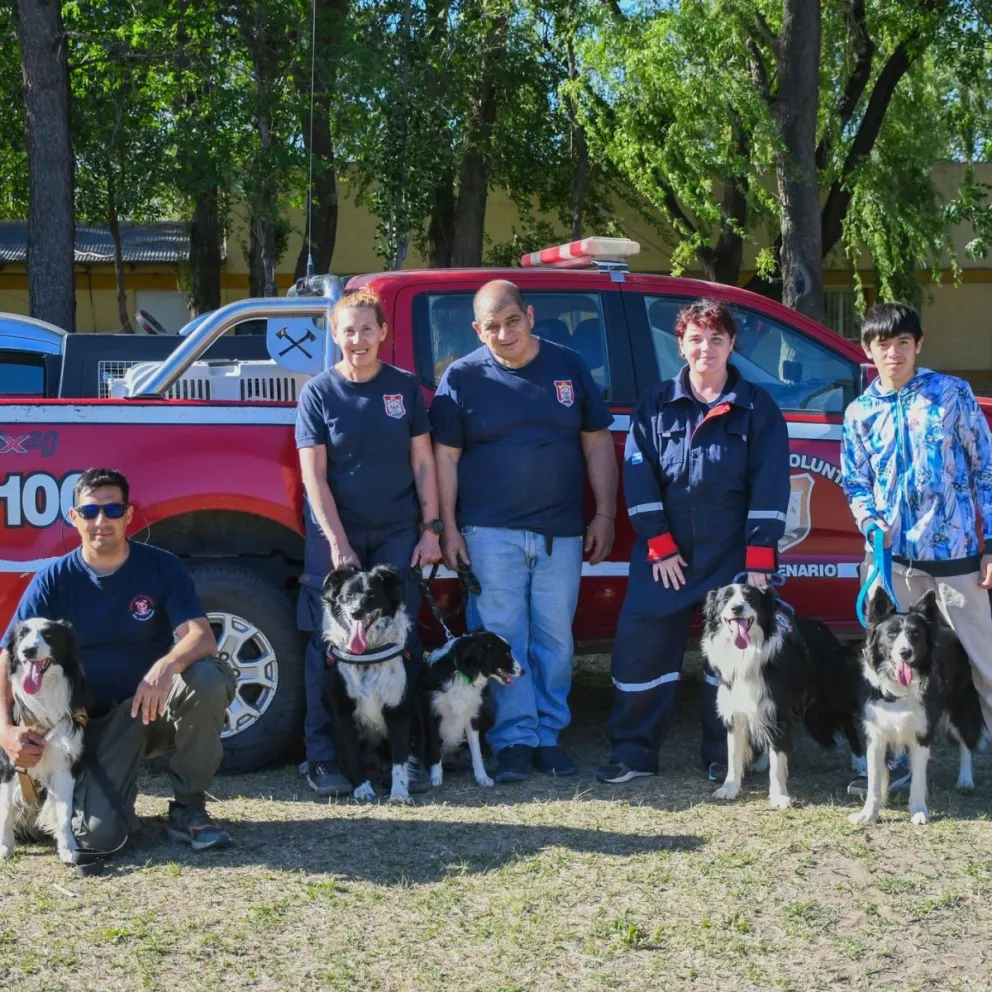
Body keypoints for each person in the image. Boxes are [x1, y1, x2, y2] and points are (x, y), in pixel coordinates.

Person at [595, 299, 790, 785]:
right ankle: (634, 753)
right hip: (665, 559)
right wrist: (658, 542)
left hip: (731, 559)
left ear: (731, 345)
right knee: (641, 652)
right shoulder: (654, 405)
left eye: (717, 339)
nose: (707, 349)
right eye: (696, 339)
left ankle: (726, 756)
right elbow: (637, 478)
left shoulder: (757, 407)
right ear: (680, 345)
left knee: (732, 662)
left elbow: (770, 483)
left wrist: (760, 554)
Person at [430, 279, 617, 783]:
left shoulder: (568, 366)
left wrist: (604, 514)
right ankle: (513, 739)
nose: (504, 333)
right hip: (489, 534)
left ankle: (549, 736)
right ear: (477, 329)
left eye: (512, 321)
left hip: (562, 531)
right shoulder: (462, 378)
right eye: (491, 326)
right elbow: (444, 458)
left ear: (529, 315)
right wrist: (447, 528)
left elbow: (597, 443)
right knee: (502, 640)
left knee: (555, 641)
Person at [0, 468, 235, 859]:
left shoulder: (161, 566)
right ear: (74, 518)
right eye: (90, 512)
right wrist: (5, 730)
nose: (101, 521)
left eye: (112, 510)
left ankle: (190, 809)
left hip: (150, 707)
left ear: (128, 514)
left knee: (206, 676)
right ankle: (105, 802)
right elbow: (8, 654)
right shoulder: (53, 579)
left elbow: (201, 637)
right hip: (87, 723)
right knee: (99, 837)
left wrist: (163, 670)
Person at [841, 301, 992, 796]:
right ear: (868, 351)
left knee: (983, 659)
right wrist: (869, 521)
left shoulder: (952, 395)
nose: (894, 353)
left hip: (957, 557)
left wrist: (990, 541)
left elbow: (984, 469)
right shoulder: (859, 411)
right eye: (883, 344)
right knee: (898, 665)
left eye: (903, 343)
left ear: (918, 345)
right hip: (893, 562)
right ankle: (898, 763)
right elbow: (855, 482)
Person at [296, 288, 442, 797]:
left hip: (399, 530)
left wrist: (431, 529)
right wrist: (336, 542)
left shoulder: (405, 388)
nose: (357, 339)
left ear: (383, 333)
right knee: (329, 645)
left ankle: (408, 756)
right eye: (347, 330)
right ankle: (323, 758)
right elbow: (314, 478)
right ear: (334, 335)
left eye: (366, 329)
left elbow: (424, 463)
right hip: (337, 531)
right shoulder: (318, 393)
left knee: (402, 640)